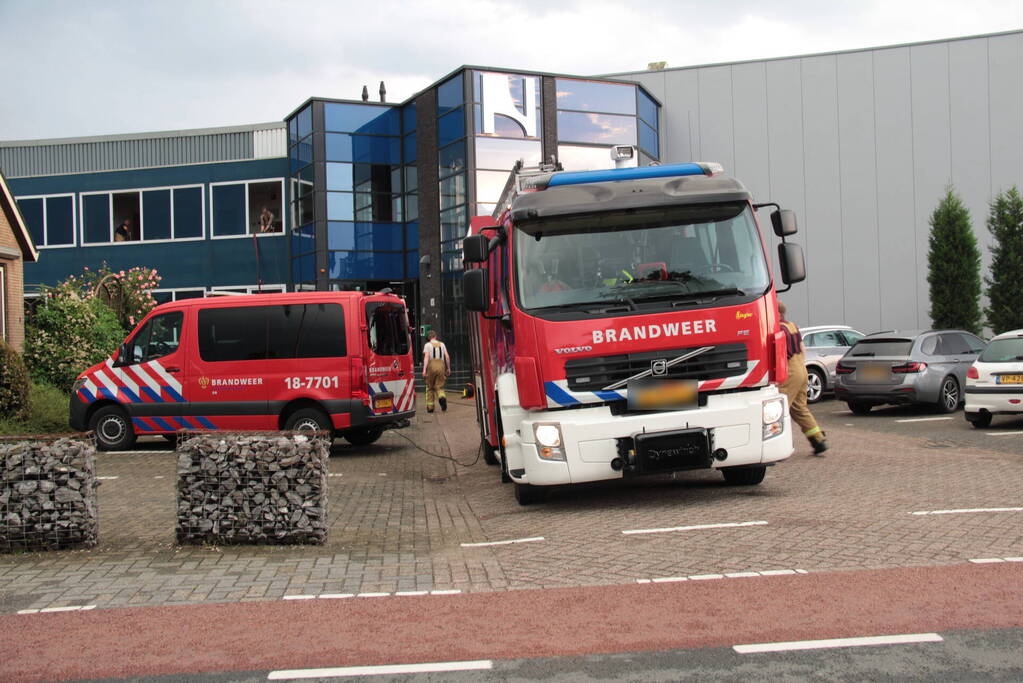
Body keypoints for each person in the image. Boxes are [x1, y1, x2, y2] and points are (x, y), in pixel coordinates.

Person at [777, 301, 829, 455]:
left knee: (779, 409)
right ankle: (818, 439)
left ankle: (779, 444)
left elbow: (781, 353)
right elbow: (802, 348)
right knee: (799, 408)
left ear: (776, 312)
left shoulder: (779, 328)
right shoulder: (792, 326)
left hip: (790, 372)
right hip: (801, 368)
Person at [422, 330, 451, 413]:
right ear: (436, 336)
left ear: (428, 338)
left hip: (431, 367)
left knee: (430, 387)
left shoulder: (427, 345)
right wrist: (448, 368)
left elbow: (426, 357)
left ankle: (430, 407)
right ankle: (442, 398)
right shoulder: (442, 344)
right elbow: (447, 357)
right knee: (439, 386)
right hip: (441, 366)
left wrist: (424, 370)